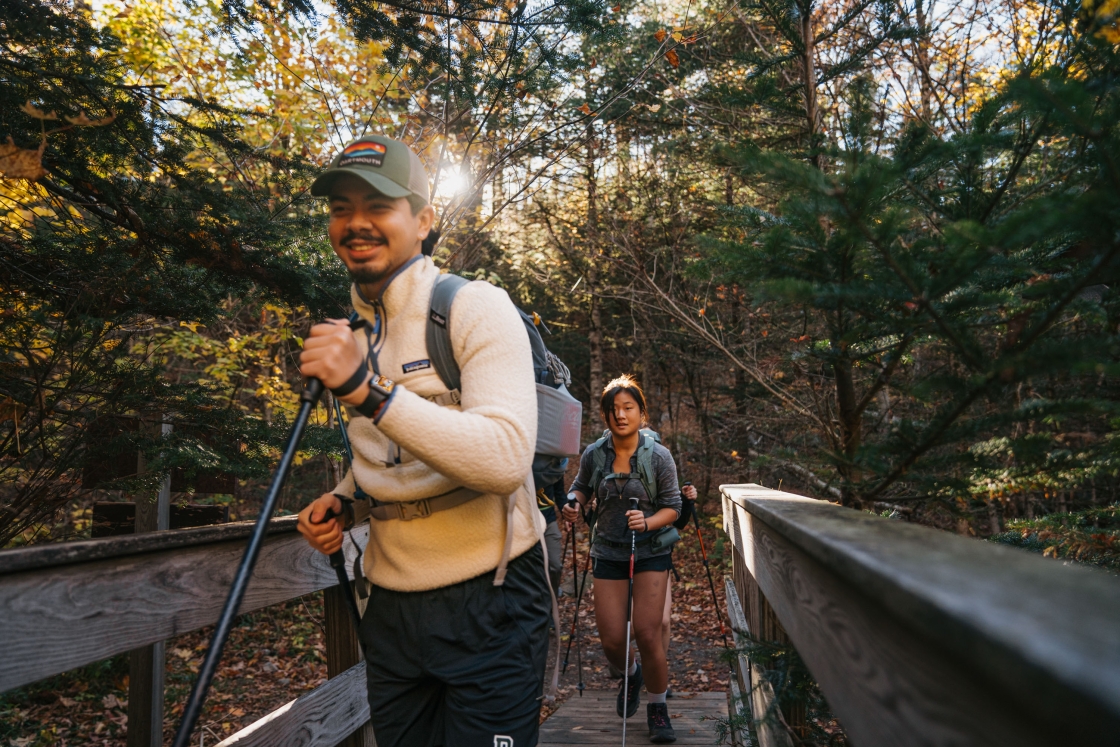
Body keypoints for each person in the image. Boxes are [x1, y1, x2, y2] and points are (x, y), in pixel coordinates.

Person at [295, 135, 551, 747]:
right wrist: (345, 501)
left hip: (492, 599)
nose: (356, 223)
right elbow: (392, 456)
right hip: (388, 604)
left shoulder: (475, 308)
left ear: (423, 221)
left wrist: (366, 390)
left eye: (378, 206)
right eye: (340, 208)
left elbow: (503, 457)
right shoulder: (349, 333)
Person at [562, 375, 683, 744]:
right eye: (614, 409)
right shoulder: (594, 454)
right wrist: (573, 503)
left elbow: (674, 507)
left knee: (647, 634)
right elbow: (580, 486)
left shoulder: (659, 457)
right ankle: (631, 674)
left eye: (628, 408)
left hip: (650, 554)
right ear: (605, 415)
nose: (621, 415)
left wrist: (647, 521)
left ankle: (658, 708)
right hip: (608, 552)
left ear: (641, 413)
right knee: (613, 641)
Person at [659, 483, 698, 698]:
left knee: (664, 621)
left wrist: (687, 499)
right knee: (631, 626)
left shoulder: (662, 465)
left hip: (658, 555)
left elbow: (679, 522)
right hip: (623, 557)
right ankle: (626, 662)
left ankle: (657, 677)